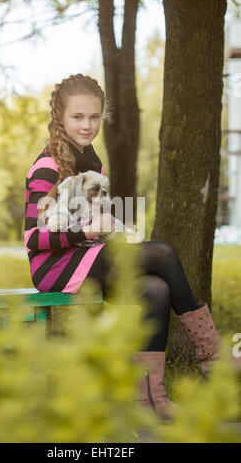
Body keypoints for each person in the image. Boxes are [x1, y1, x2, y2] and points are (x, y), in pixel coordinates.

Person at [24, 73, 240, 421]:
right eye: (77, 117)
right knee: (164, 252)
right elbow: (32, 238)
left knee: (155, 289)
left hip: (90, 257)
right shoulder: (47, 165)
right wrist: (87, 231)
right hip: (56, 269)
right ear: (60, 117)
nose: (87, 125)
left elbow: (97, 217)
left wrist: (105, 226)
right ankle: (213, 356)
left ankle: (150, 402)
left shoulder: (92, 161)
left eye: (94, 116)